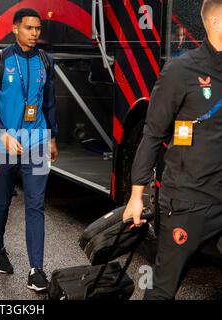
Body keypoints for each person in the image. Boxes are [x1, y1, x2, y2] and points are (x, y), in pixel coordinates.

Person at [123, 0, 222, 300]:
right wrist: (136, 196)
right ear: (217, 23)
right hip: (188, 202)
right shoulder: (181, 70)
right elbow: (152, 134)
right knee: (162, 288)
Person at [0, 8, 58, 292]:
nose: (35, 33)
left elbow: (49, 103)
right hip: (4, 145)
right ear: (15, 29)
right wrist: (2, 136)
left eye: (38, 28)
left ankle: (36, 269)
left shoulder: (46, 62)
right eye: (29, 28)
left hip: (36, 142)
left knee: (36, 204)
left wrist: (51, 137)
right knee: (1, 202)